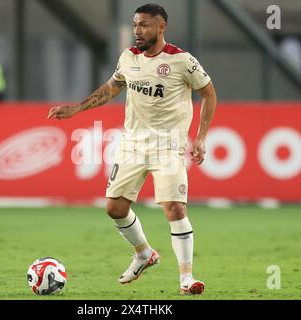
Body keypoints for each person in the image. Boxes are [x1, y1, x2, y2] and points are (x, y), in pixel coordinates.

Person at [47, 3, 217, 295]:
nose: (138, 30)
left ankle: (186, 278)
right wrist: (75, 109)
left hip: (168, 146)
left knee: (175, 208)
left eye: (144, 25)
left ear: (161, 27)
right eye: (136, 24)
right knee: (114, 208)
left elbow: (209, 94)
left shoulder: (182, 61)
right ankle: (143, 253)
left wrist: (200, 137)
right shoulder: (128, 58)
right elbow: (109, 90)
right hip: (132, 145)